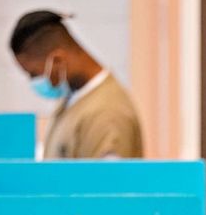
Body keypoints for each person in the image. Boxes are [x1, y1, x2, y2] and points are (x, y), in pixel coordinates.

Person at [10, 10, 143, 159]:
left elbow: (108, 181)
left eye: (34, 74)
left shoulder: (107, 113)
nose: (34, 81)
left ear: (57, 61)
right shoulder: (72, 97)